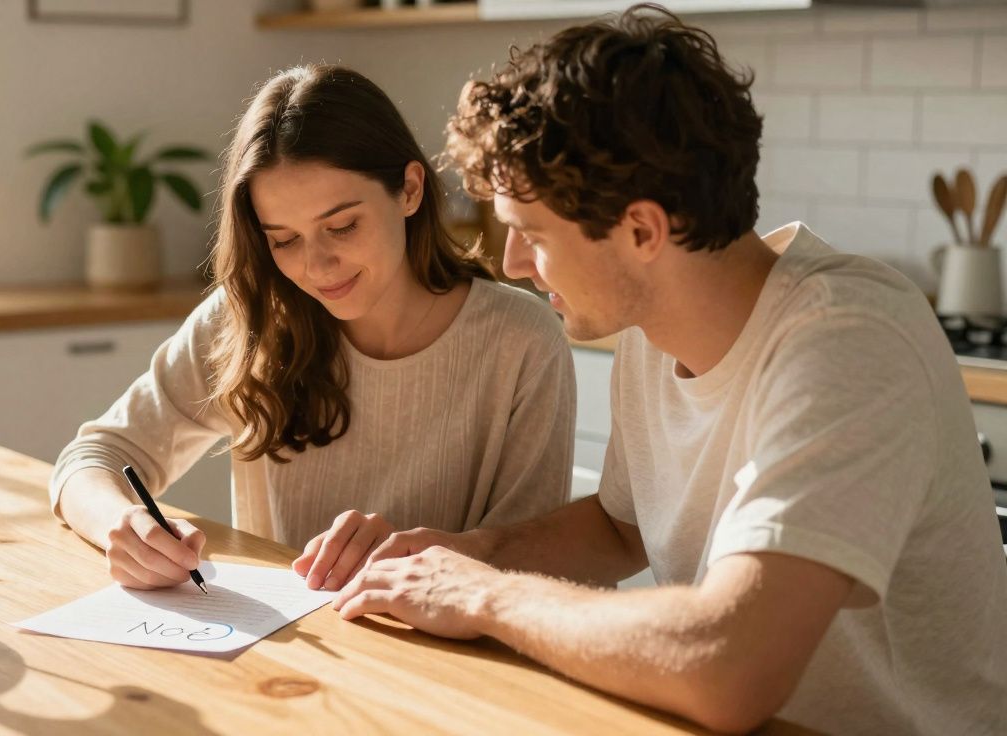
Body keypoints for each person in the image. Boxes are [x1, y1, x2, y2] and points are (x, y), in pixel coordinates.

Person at [332, 6, 1007, 734]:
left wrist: (484, 597)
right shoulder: (652, 333)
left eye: (531, 235)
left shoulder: (849, 340)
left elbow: (729, 667)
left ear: (643, 231)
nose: (511, 265)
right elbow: (621, 528)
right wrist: (467, 554)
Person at [50, 65, 576, 597]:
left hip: (447, 667)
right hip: (282, 662)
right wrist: (122, 525)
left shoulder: (521, 341)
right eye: (283, 239)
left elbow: (538, 566)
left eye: (342, 226)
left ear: (411, 190)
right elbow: (90, 459)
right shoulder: (249, 318)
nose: (318, 267)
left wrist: (421, 558)